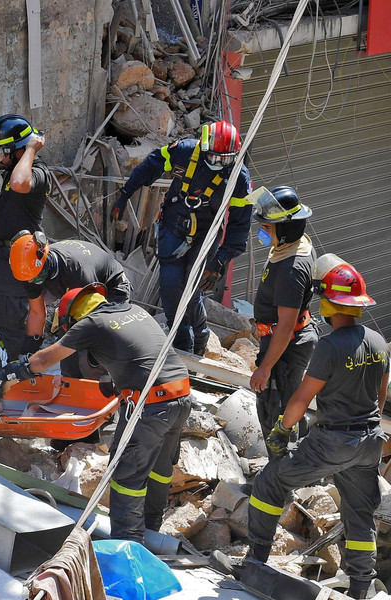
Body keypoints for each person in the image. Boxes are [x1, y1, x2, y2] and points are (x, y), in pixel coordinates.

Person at [0, 283, 192, 543]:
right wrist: (113, 378)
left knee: (127, 475)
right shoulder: (134, 310)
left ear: (74, 319)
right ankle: (152, 530)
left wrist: (7, 374)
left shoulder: (90, 324)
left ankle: (128, 546)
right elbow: (139, 353)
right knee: (158, 467)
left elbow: (45, 360)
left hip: (148, 406)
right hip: (181, 395)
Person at [246, 256, 387, 599]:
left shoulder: (329, 346)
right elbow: (379, 401)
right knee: (359, 514)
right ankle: (359, 589)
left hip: (332, 441)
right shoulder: (379, 342)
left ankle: (254, 562)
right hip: (369, 442)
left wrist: (281, 429)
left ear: (328, 303)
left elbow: (301, 399)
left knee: (270, 481)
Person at [112, 121, 253, 354]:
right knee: (170, 286)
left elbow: (240, 224)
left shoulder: (238, 177)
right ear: (204, 147)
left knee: (191, 288)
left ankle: (200, 334)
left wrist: (220, 261)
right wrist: (125, 195)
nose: (219, 164)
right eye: (215, 158)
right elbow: (151, 164)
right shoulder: (185, 151)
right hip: (173, 227)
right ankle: (181, 342)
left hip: (205, 236)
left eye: (225, 160)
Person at [247, 186, 317, 449]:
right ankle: (282, 472)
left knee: (277, 413)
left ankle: (281, 480)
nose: (263, 231)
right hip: (282, 340)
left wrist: (265, 368)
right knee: (282, 408)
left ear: (285, 229)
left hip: (286, 344)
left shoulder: (291, 268)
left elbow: (286, 327)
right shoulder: (292, 245)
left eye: (268, 226)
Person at [0, 114, 50, 360]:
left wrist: (31, 146)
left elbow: (21, 183)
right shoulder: (13, 170)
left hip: (20, 257)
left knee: (13, 318)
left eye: (1, 151)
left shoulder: (39, 173)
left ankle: (16, 365)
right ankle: (4, 349)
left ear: (18, 151)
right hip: (4, 253)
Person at [9, 231, 130, 357]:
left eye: (37, 278)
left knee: (99, 343)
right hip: (78, 283)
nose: (32, 282)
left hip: (112, 288)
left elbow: (91, 324)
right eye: (30, 280)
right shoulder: (30, 270)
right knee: (69, 352)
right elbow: (36, 313)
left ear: (46, 260)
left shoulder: (77, 273)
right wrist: (27, 353)